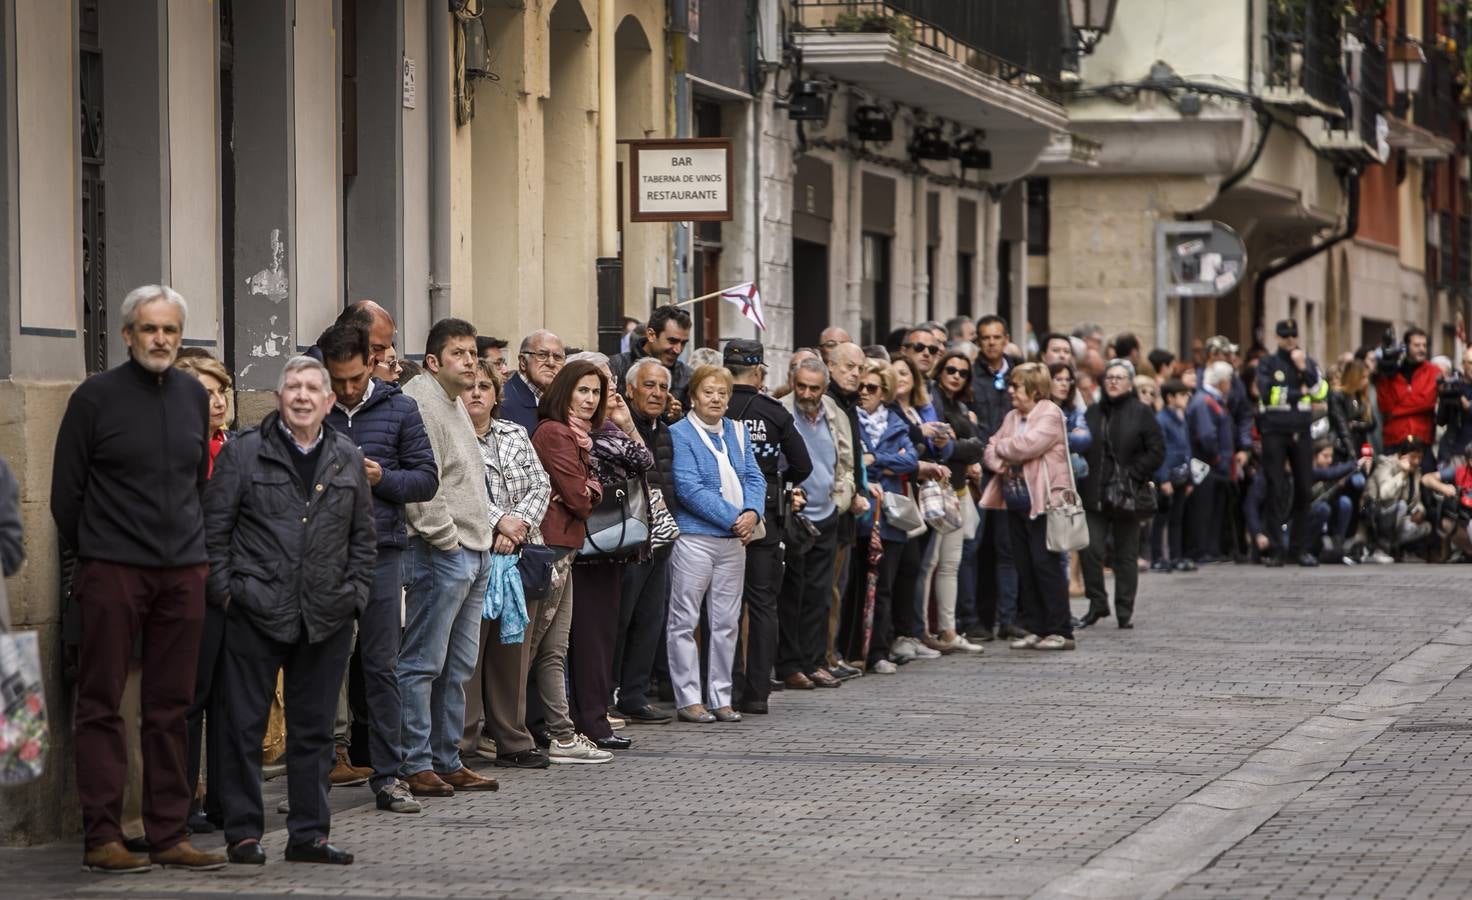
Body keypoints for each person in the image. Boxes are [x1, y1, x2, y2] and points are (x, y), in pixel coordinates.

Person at [51, 285, 225, 873]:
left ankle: (169, 833)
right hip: (113, 570)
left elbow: (196, 484)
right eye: (149, 329)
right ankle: (103, 835)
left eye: (171, 330)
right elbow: (65, 496)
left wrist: (193, 553)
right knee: (102, 703)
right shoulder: (93, 399)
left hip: (182, 573)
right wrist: (102, 553)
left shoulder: (189, 397)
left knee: (171, 705)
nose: (161, 340)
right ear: (127, 335)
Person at [206, 355, 375, 866]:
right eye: (292, 387)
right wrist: (230, 593)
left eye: (312, 388)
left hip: (325, 618)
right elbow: (215, 534)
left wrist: (354, 595)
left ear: (328, 401)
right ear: (279, 397)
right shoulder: (244, 453)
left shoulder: (346, 457)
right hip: (255, 612)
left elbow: (363, 541)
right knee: (243, 729)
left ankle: (309, 835)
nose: (302, 396)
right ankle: (242, 833)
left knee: (314, 733)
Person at [318, 322, 440, 812]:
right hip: (322, 556)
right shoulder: (315, 406)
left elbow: (426, 480)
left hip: (381, 552)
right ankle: (314, 774)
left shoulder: (400, 408)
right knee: (321, 665)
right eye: (336, 380)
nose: (345, 389)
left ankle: (390, 777)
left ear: (371, 363)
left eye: (353, 378)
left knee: (380, 666)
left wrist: (382, 477)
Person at [397, 318, 501, 796]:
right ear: (434, 361)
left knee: (457, 666)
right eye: (459, 353)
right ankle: (415, 762)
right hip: (443, 551)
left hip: (474, 550)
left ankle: (447, 757)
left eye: (473, 353)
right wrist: (446, 539)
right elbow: (422, 481)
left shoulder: (454, 401)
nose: (470, 361)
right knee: (423, 663)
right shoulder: (420, 401)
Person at [458, 359, 553, 769]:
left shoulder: (514, 433)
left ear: (497, 394)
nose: (477, 392)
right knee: (469, 652)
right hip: (472, 552)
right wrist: (499, 519)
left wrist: (519, 526)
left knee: (513, 650)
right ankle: (460, 740)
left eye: (485, 385)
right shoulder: (452, 437)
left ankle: (512, 740)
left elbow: (541, 483)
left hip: (519, 554)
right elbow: (458, 491)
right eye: (469, 385)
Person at [562, 352, 653, 750]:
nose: (598, 396)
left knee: (601, 634)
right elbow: (639, 458)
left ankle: (594, 717)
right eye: (588, 388)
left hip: (612, 545)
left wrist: (625, 421)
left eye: (602, 388)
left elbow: (643, 460)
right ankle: (589, 722)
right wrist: (623, 427)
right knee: (587, 637)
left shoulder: (605, 428)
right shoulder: (577, 433)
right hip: (586, 545)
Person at [666, 365, 766, 719]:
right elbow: (688, 487)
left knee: (726, 622)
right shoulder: (679, 433)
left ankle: (721, 696)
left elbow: (755, 477)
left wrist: (752, 512)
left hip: (734, 541)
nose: (716, 398)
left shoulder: (738, 432)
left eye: (722, 392)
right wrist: (734, 519)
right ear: (693, 396)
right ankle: (688, 699)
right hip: (695, 538)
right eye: (708, 391)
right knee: (684, 620)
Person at [528, 361, 615, 762]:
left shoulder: (579, 437)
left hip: (567, 545)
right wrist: (588, 490)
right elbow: (580, 500)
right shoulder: (555, 433)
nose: (590, 400)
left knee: (553, 646)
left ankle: (560, 734)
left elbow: (586, 491)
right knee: (533, 646)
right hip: (551, 548)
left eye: (595, 393)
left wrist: (588, 488)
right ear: (565, 391)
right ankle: (525, 730)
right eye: (582, 391)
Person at [724, 340, 813, 712]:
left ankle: (724, 688)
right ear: (759, 371)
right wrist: (778, 482)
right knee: (762, 604)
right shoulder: (773, 412)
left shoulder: (714, 405)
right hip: (764, 515)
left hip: (720, 513)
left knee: (722, 605)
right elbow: (803, 465)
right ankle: (757, 694)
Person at [172, 353, 234, 833]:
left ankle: (223, 800)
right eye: (203, 392)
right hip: (192, 586)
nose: (215, 402)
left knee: (230, 698)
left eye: (220, 392)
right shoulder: (178, 449)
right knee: (189, 699)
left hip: (235, 589)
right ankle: (182, 801)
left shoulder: (235, 446)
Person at [979, 362, 1074, 651]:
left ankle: (1060, 629)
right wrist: (1003, 454)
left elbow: (1027, 446)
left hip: (1044, 501)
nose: (1011, 391)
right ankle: (1035, 627)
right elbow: (990, 448)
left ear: (1033, 388)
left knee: (1045, 564)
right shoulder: (1011, 416)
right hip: (1014, 500)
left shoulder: (1050, 413)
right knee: (1024, 564)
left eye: (1016, 386)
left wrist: (1005, 450)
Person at [777, 358, 856, 691]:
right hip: (794, 517)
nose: (807, 394)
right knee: (791, 594)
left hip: (827, 513)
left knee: (820, 594)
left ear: (824, 388)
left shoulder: (834, 412)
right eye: (801, 386)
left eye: (814, 388)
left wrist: (841, 499)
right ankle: (791, 664)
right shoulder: (780, 410)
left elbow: (847, 462)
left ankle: (815, 661)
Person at [613, 359, 678, 725]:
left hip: (662, 539)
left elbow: (668, 483)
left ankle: (635, 694)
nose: (656, 393)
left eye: (662, 387)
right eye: (649, 386)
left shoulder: (665, 430)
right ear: (631, 390)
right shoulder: (619, 428)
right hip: (629, 538)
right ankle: (608, 692)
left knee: (652, 618)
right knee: (622, 618)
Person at [1078, 360, 1165, 629]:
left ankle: (1124, 609)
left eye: (1119, 377)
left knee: (1125, 554)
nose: (1113, 382)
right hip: (1094, 493)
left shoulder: (1141, 412)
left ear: (1129, 383)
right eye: (1109, 377)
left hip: (1127, 494)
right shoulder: (1093, 412)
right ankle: (1097, 603)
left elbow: (1157, 450)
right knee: (1089, 548)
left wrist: (1134, 473)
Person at [850, 361, 924, 673]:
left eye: (872, 388)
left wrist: (875, 459)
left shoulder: (896, 423)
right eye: (861, 387)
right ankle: (852, 650)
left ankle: (878, 650)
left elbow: (911, 462)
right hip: (858, 516)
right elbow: (855, 460)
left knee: (883, 588)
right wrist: (881, 464)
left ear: (885, 393)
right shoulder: (850, 419)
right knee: (855, 585)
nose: (864, 393)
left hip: (890, 517)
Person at [921, 350, 987, 653]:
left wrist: (956, 447)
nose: (956, 376)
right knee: (931, 564)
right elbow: (939, 448)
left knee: (950, 564)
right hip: (937, 490)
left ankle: (948, 629)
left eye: (962, 372)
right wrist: (959, 448)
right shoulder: (932, 400)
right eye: (951, 370)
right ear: (940, 371)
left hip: (957, 492)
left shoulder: (960, 404)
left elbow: (977, 447)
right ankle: (922, 630)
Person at [887, 354, 951, 660]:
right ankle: (900, 634)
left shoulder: (917, 410)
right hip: (897, 494)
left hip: (918, 495)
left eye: (906, 373)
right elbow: (898, 454)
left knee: (917, 565)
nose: (900, 378)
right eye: (895, 372)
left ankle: (912, 631)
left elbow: (943, 449)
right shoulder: (888, 411)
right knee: (903, 567)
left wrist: (940, 443)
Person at [1257, 319, 1329, 567]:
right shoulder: (1268, 363)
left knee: (1304, 489)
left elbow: (1321, 391)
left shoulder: (1307, 362)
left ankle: (1299, 548)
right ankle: (1276, 548)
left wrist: (1304, 370)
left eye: (1293, 336)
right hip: (1275, 430)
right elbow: (1268, 394)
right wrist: (1300, 392)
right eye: (1285, 336)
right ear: (1277, 337)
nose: (1290, 341)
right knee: (1276, 489)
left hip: (1301, 429)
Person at [970, 315, 1024, 640]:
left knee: (1007, 548)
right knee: (975, 547)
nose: (991, 343)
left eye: (996, 337)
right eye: (984, 338)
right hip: (979, 473)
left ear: (1006, 339)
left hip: (1010, 472)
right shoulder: (969, 376)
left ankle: (1008, 618)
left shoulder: (1019, 374)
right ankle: (976, 618)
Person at [822, 341, 870, 680]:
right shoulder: (828, 402)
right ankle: (825, 655)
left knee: (838, 585)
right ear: (830, 366)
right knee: (829, 588)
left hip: (848, 509)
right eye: (848, 366)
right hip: (830, 508)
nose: (855, 373)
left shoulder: (849, 404)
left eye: (859, 367)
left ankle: (832, 652)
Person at [1186, 362, 1235, 565]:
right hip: (1208, 466)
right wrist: (1217, 458)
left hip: (1215, 465)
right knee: (1204, 510)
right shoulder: (1204, 401)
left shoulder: (1211, 400)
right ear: (1222, 382)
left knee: (1214, 509)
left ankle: (1212, 549)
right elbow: (1206, 435)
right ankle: (1203, 550)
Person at [1359, 437, 1432, 563]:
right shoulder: (1386, 464)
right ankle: (1378, 549)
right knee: (1401, 506)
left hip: (1399, 517)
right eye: (1413, 457)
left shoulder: (1416, 472)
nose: (1416, 462)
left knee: (1426, 526)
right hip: (1375, 512)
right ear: (1402, 455)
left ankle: (1398, 550)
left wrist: (1420, 510)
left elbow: (1416, 499)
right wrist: (1402, 473)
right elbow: (1385, 494)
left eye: (1420, 458)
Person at [610, 304, 693, 413]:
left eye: (683, 343)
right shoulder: (616, 367)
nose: (678, 350)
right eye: (672, 341)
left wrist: (677, 417)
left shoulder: (687, 377)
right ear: (651, 335)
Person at [1375, 327, 1437, 453]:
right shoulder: (1392, 373)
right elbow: (1385, 406)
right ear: (1406, 346)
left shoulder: (1433, 371)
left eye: (1424, 345)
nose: (1422, 349)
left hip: (1421, 439)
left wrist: (1396, 412)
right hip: (1394, 439)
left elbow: (1426, 402)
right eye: (1417, 345)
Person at [1152, 380, 1193, 572]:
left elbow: (1187, 447)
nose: (1187, 398)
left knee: (1178, 517)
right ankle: (1158, 556)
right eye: (1182, 395)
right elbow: (1162, 451)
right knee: (1162, 518)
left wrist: (1190, 477)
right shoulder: (1162, 420)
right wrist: (1163, 478)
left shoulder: (1182, 418)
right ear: (1170, 398)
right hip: (1169, 475)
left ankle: (1176, 555)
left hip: (1182, 474)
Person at [502, 330, 566, 433]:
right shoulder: (503, 401)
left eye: (557, 357)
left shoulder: (563, 402)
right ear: (523, 362)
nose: (551, 363)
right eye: (542, 355)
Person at [1330, 358, 1376, 462]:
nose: (1366, 381)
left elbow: (1372, 423)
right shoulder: (1338, 395)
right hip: (1342, 447)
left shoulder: (1361, 396)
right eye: (1363, 377)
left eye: (1367, 377)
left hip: (1360, 445)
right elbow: (1342, 425)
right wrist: (1351, 453)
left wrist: (1355, 424)